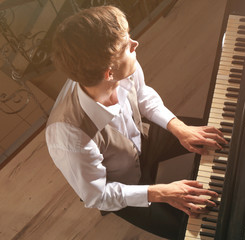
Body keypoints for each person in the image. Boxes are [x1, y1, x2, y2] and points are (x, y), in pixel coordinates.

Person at [46, 5, 227, 239]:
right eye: (126, 46)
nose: (135, 44)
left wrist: (179, 128)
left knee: (217, 133)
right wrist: (161, 192)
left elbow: (142, 96)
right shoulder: (68, 134)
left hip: (144, 136)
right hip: (121, 183)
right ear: (108, 74)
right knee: (192, 228)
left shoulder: (118, 66)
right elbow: (96, 195)